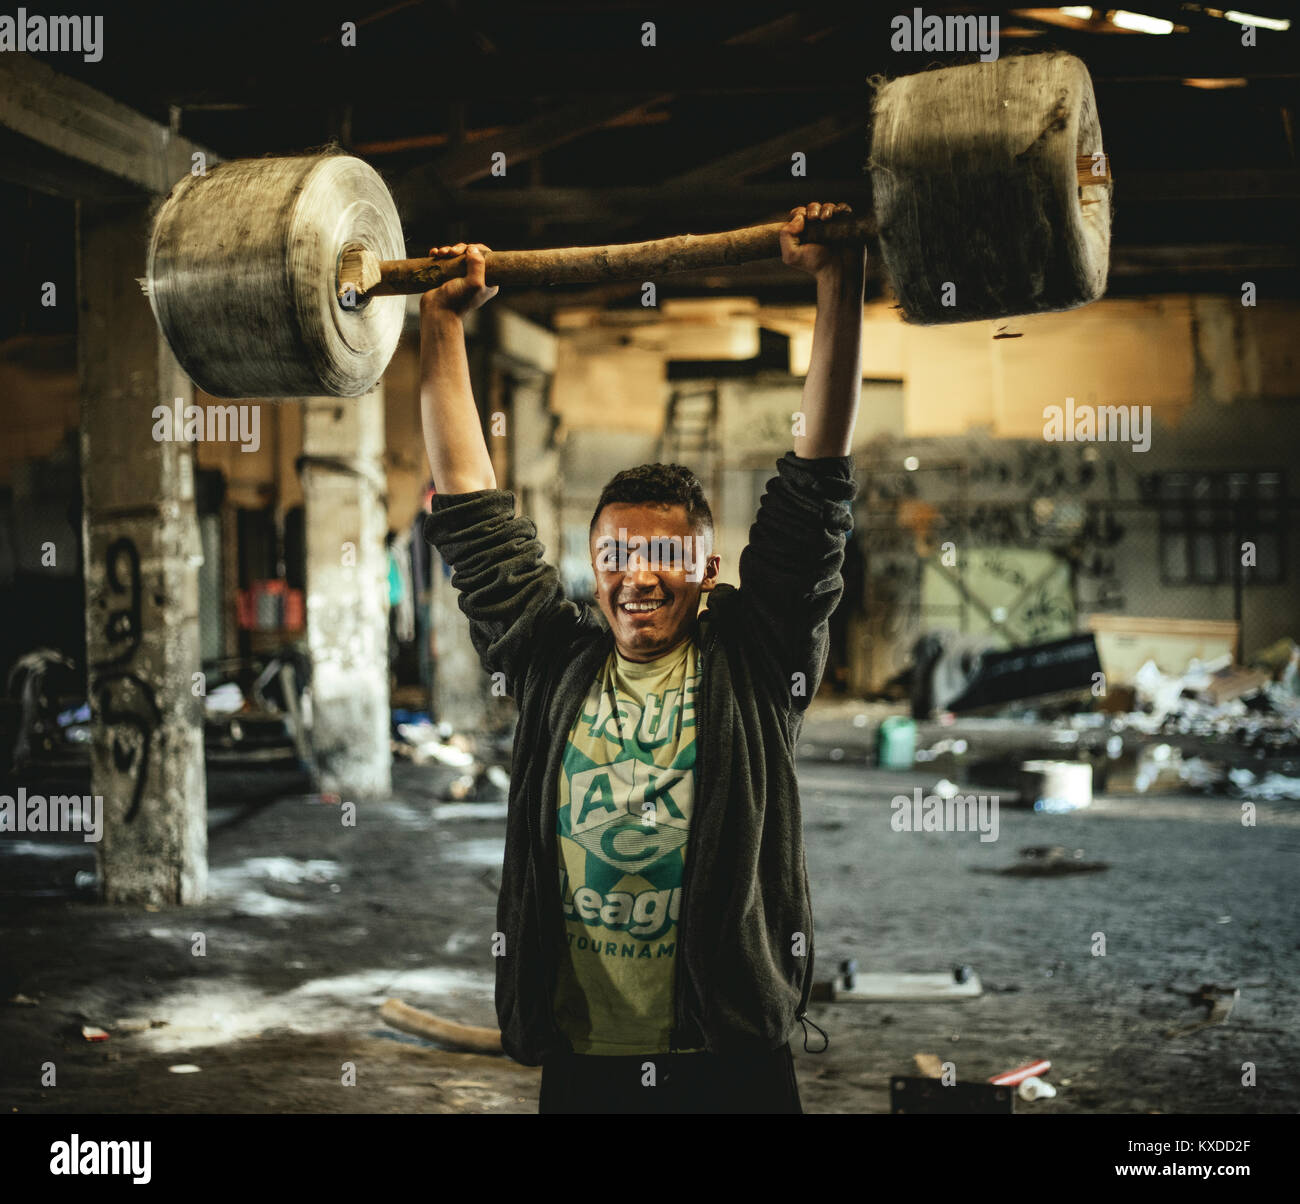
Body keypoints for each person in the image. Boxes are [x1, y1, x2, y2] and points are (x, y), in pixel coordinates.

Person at [419, 203, 865, 1114]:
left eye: (664, 557)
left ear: (704, 567)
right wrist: (439, 323)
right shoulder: (554, 657)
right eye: (617, 555)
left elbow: (817, 485)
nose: (639, 578)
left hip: (729, 1052)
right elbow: (468, 511)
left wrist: (836, 281)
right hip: (586, 1058)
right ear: (598, 566)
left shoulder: (752, 657)